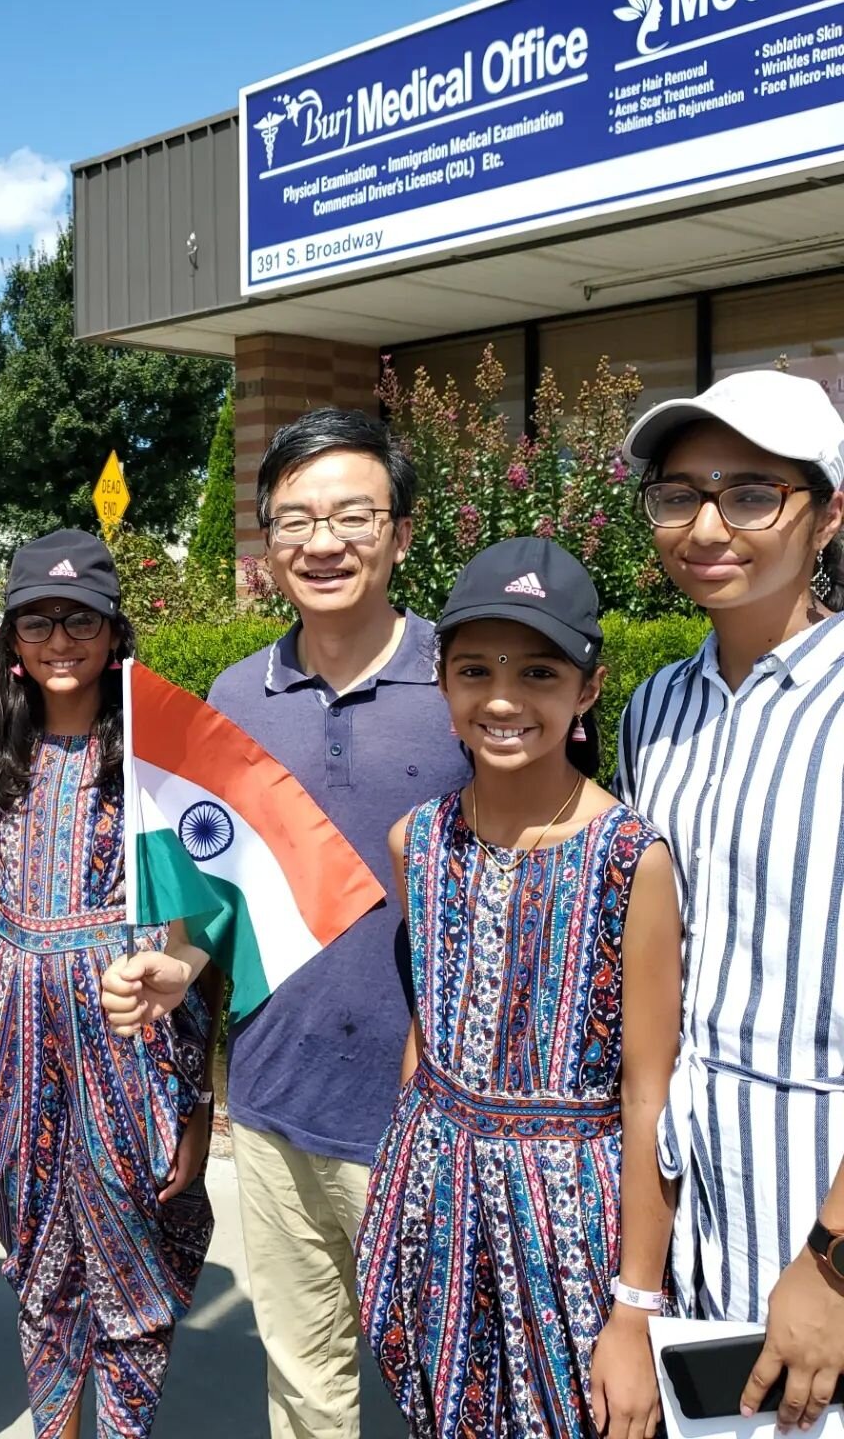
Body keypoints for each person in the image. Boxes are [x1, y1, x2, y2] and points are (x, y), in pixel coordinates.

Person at [108, 407, 472, 1439]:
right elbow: (216, 905)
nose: (321, 542)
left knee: (451, 1389)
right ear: (267, 543)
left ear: (401, 533)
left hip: (429, 1122)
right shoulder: (236, 697)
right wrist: (175, 964)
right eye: (294, 520)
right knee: (307, 1392)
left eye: (352, 515)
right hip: (273, 1112)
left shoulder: (470, 684)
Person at [354, 536, 681, 1439]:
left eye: (538, 672)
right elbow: (429, 1012)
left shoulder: (630, 859)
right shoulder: (414, 841)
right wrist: (404, 1177)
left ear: (587, 688)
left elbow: (649, 1091)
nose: (502, 699)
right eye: (475, 670)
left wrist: (635, 1307)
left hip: (570, 1225)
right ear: (444, 684)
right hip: (434, 1198)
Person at [0, 529, 218, 1439]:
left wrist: (193, 1103)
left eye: (80, 620)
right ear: (13, 642)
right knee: (39, 1253)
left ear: (113, 635)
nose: (59, 639)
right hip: (20, 1028)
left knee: (129, 1253)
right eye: (36, 621)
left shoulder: (153, 761)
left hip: (126, 1028)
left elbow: (196, 926)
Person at [616, 369, 844, 1432]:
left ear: (829, 513)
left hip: (818, 1229)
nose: (707, 525)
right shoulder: (653, 710)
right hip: (694, 1223)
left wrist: (831, 1263)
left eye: (751, 493)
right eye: (679, 494)